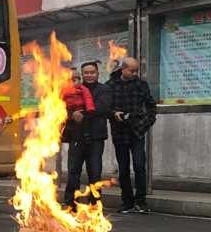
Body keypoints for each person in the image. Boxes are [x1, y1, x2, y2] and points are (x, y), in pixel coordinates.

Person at [106, 57, 156, 214]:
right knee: (123, 168)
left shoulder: (141, 85)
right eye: (132, 71)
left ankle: (141, 201)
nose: (135, 74)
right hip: (119, 132)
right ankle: (127, 201)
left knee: (140, 166)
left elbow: (151, 106)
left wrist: (145, 123)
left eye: (136, 71)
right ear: (123, 69)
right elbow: (104, 107)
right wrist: (114, 114)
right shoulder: (110, 86)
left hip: (137, 132)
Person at [63, 61, 111, 208]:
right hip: (77, 136)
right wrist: (72, 114)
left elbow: (102, 108)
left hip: (96, 138)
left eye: (92, 72)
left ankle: (95, 205)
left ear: (98, 73)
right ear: (82, 74)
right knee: (73, 172)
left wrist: (82, 113)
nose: (89, 75)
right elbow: (63, 107)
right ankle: (71, 204)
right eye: (86, 73)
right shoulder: (74, 88)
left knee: (95, 173)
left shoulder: (104, 89)